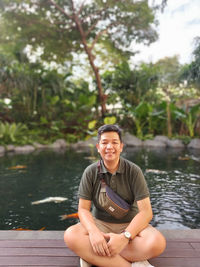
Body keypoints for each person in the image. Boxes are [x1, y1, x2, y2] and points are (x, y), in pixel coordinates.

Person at [64, 124, 166, 267]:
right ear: (98, 147)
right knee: (71, 235)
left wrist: (125, 237)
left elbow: (146, 212)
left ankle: (95, 255)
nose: (109, 147)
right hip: (100, 224)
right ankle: (131, 264)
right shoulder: (90, 171)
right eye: (104, 143)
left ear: (121, 146)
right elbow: (83, 209)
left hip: (130, 225)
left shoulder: (134, 171)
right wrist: (93, 233)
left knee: (157, 243)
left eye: (114, 142)